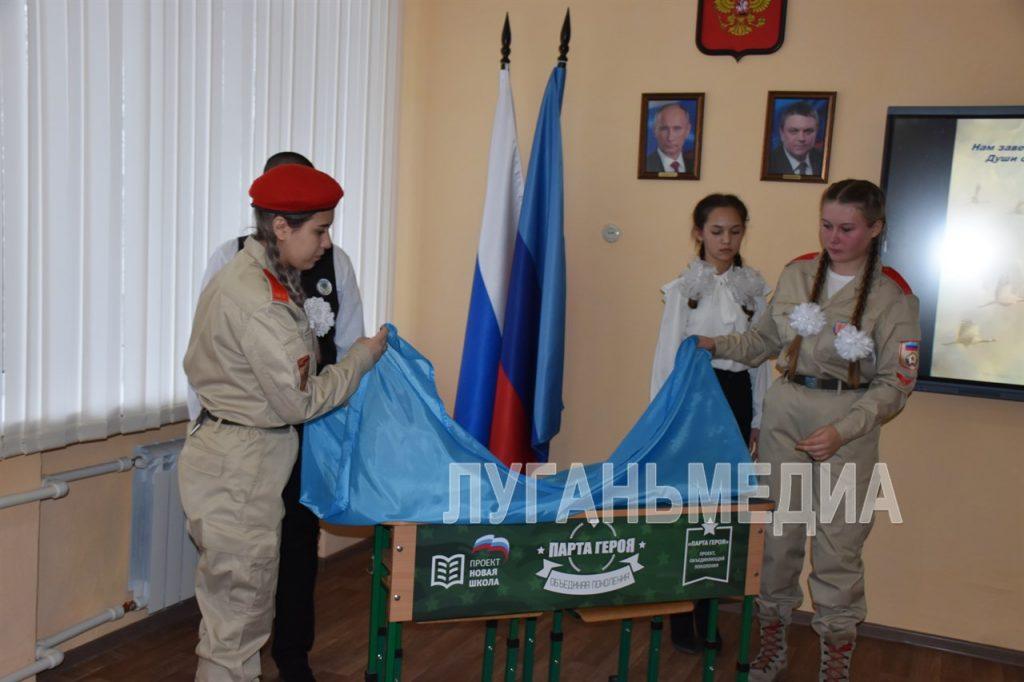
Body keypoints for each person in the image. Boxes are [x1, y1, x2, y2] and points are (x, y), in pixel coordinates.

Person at [696, 179, 921, 681]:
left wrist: (843, 430)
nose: (833, 238)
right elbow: (763, 341)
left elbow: (897, 383)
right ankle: (772, 646)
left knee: (839, 545)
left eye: (847, 228)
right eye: (826, 225)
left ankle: (835, 656)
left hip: (848, 423)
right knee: (777, 538)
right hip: (785, 419)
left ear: (875, 229)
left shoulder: (893, 296)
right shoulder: (797, 274)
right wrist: (715, 344)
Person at [180, 163, 388, 682]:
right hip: (242, 470)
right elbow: (301, 401)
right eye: (319, 229)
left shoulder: (247, 275)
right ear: (280, 227)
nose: (326, 243)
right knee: (237, 628)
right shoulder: (260, 302)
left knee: (232, 625)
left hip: (236, 456)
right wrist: (361, 359)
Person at [650, 193, 770, 653]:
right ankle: (681, 616)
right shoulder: (685, 289)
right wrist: (663, 416)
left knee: (723, 509)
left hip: (735, 399)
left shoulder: (753, 290)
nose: (726, 240)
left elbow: (759, 359)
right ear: (699, 233)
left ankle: (709, 610)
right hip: (694, 400)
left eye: (735, 231)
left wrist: (758, 417)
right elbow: (666, 357)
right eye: (717, 231)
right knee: (689, 505)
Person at [766, 101, 824, 176]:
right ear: (782, 133)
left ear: (816, 132)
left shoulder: (823, 161)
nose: (801, 138)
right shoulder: (768, 164)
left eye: (808, 131)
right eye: (794, 131)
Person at [645, 103, 695, 174]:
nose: (670, 138)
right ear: (654, 130)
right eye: (664, 129)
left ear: (688, 130)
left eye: (677, 128)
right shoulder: (646, 165)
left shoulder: (694, 166)